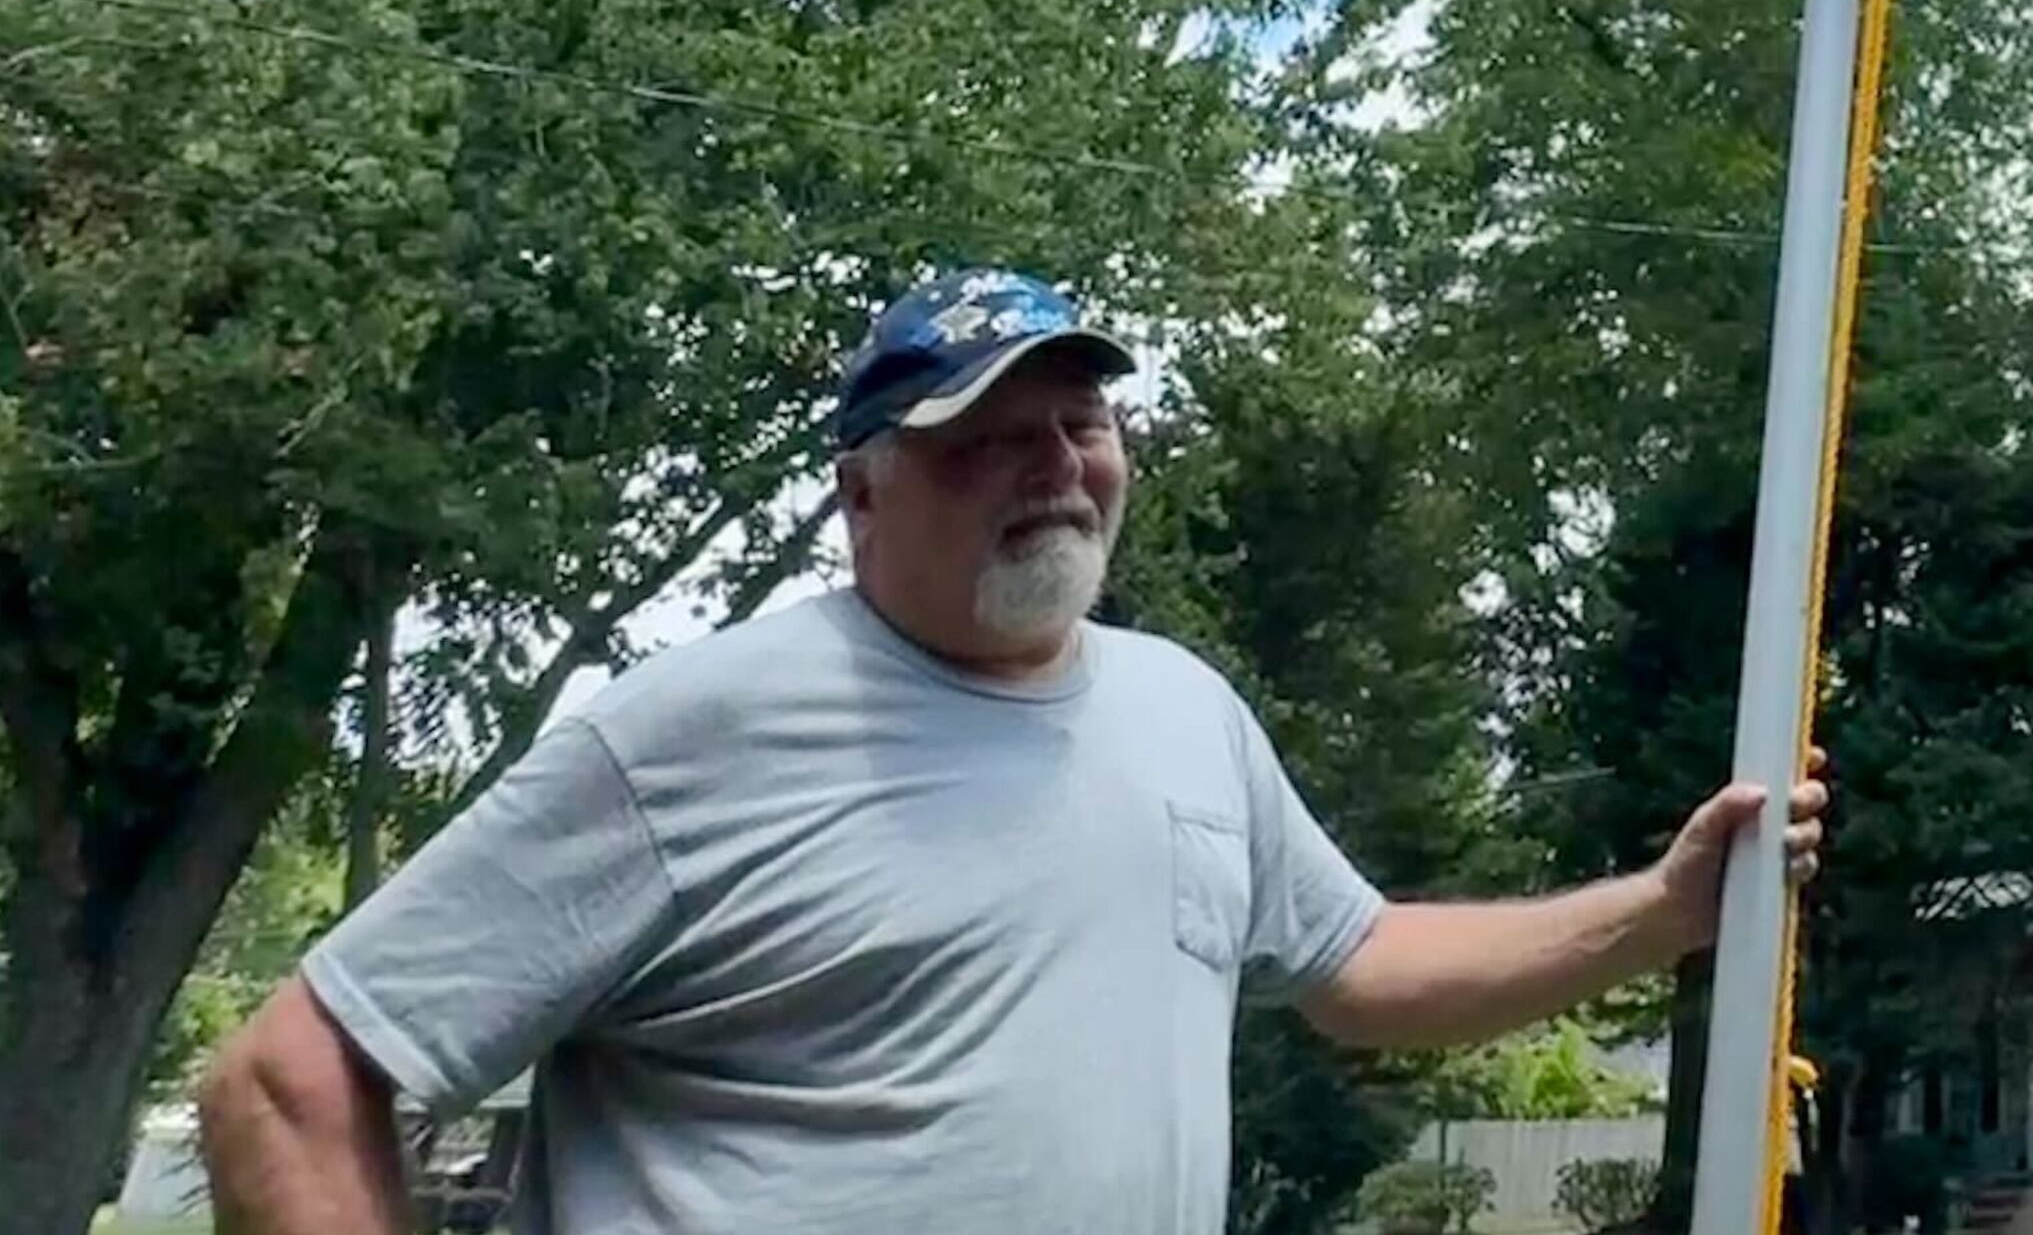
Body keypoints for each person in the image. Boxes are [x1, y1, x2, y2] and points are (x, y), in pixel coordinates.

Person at [196, 267, 1827, 1235]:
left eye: (1081, 424)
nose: (1051, 466)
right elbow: (287, 1081)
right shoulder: (695, 732)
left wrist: (1669, 909)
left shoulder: (1183, 709)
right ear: (862, 490)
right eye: (981, 440)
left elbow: (1363, 965)